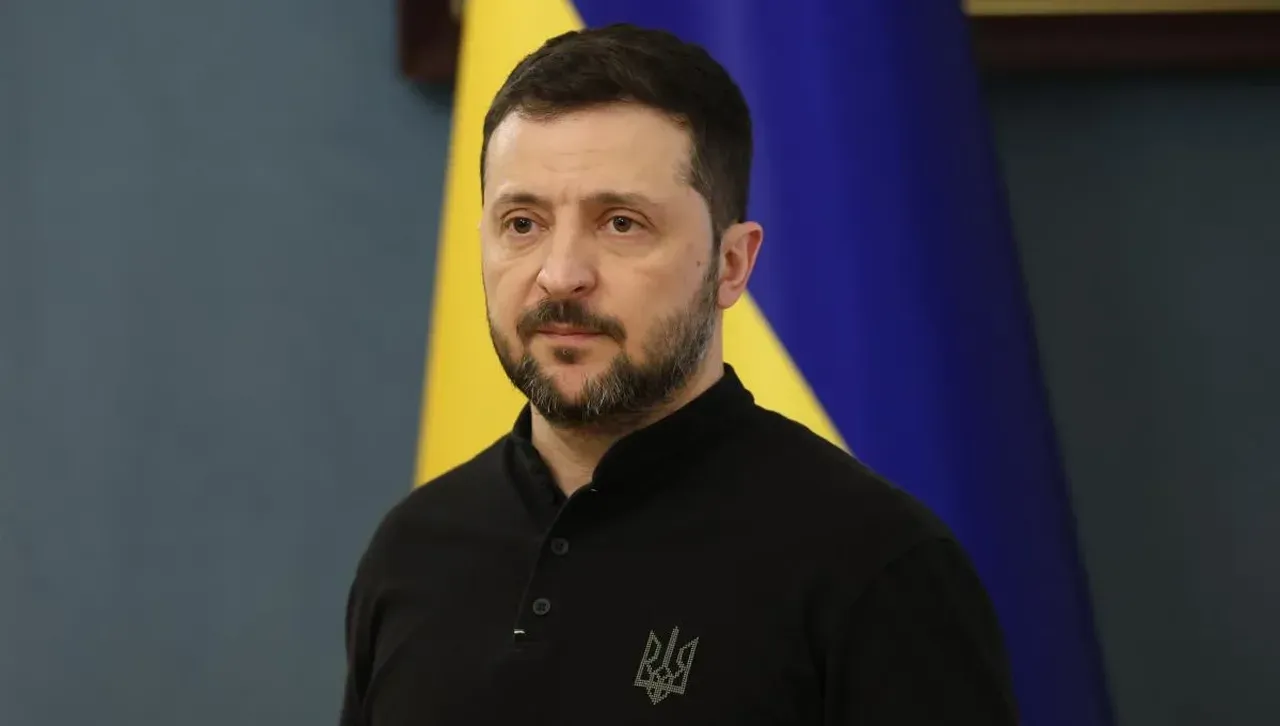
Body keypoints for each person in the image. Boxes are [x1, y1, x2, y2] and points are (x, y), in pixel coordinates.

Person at [340, 23, 1017, 726]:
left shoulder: (876, 566)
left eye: (621, 223)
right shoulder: (412, 552)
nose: (560, 274)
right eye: (522, 223)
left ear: (732, 264)